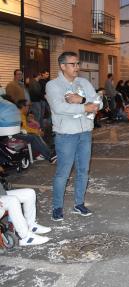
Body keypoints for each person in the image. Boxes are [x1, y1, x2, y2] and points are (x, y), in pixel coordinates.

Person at [46, 52, 101, 221]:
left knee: (83, 170)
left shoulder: (83, 82)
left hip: (85, 133)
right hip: (66, 135)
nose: (77, 67)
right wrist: (85, 107)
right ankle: (57, 207)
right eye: (73, 64)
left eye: (78, 63)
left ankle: (79, 203)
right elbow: (59, 108)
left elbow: (99, 102)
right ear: (62, 66)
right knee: (63, 172)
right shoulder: (53, 85)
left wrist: (82, 99)